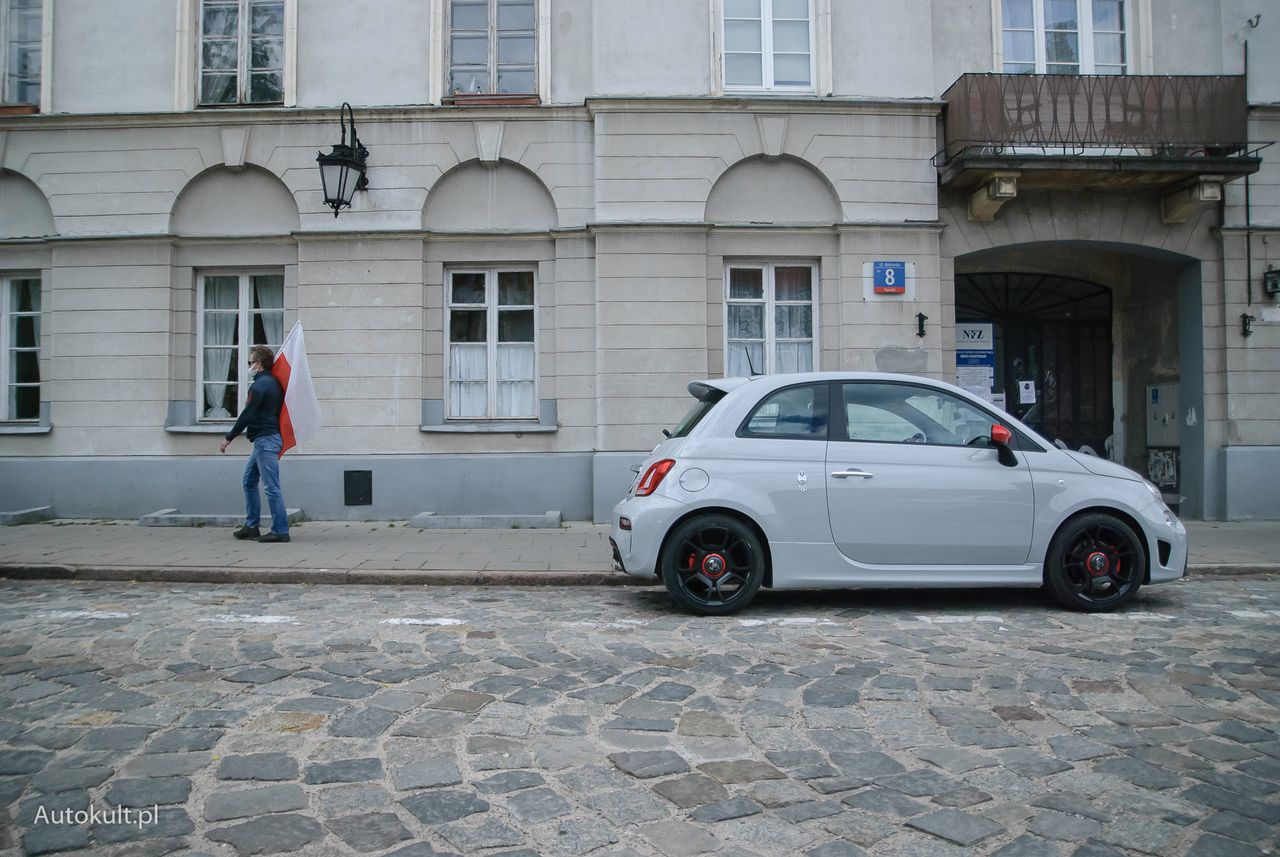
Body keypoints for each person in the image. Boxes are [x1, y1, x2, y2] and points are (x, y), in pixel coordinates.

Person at [219, 344, 290, 543]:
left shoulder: (259, 386)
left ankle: (281, 530)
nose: (248, 365)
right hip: (264, 440)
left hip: (266, 441)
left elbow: (247, 414)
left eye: (250, 362)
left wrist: (228, 437)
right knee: (249, 481)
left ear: (258, 364)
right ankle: (251, 526)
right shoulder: (272, 383)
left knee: (271, 487)